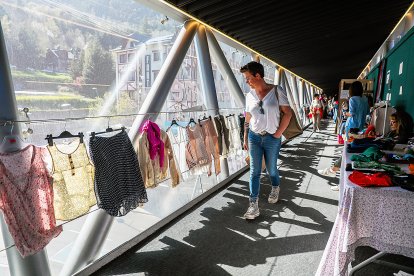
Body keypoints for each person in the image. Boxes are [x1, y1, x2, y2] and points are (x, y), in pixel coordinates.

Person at [240, 61, 292, 220]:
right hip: (254, 137)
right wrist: (245, 137)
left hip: (271, 138)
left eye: (248, 78)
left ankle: (275, 187)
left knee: (271, 169)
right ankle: (253, 205)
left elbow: (288, 113)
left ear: (258, 75)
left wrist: (277, 135)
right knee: (254, 171)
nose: (247, 81)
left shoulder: (276, 90)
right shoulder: (249, 96)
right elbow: (248, 118)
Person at [318, 110, 413, 190]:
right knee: (348, 152)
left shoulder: (403, 137)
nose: (390, 123)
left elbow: (392, 147)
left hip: (381, 154)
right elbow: (385, 142)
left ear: (401, 122)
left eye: (394, 122)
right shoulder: (392, 133)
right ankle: (335, 173)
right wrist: (376, 137)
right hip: (378, 151)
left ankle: (334, 172)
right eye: (390, 121)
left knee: (352, 154)